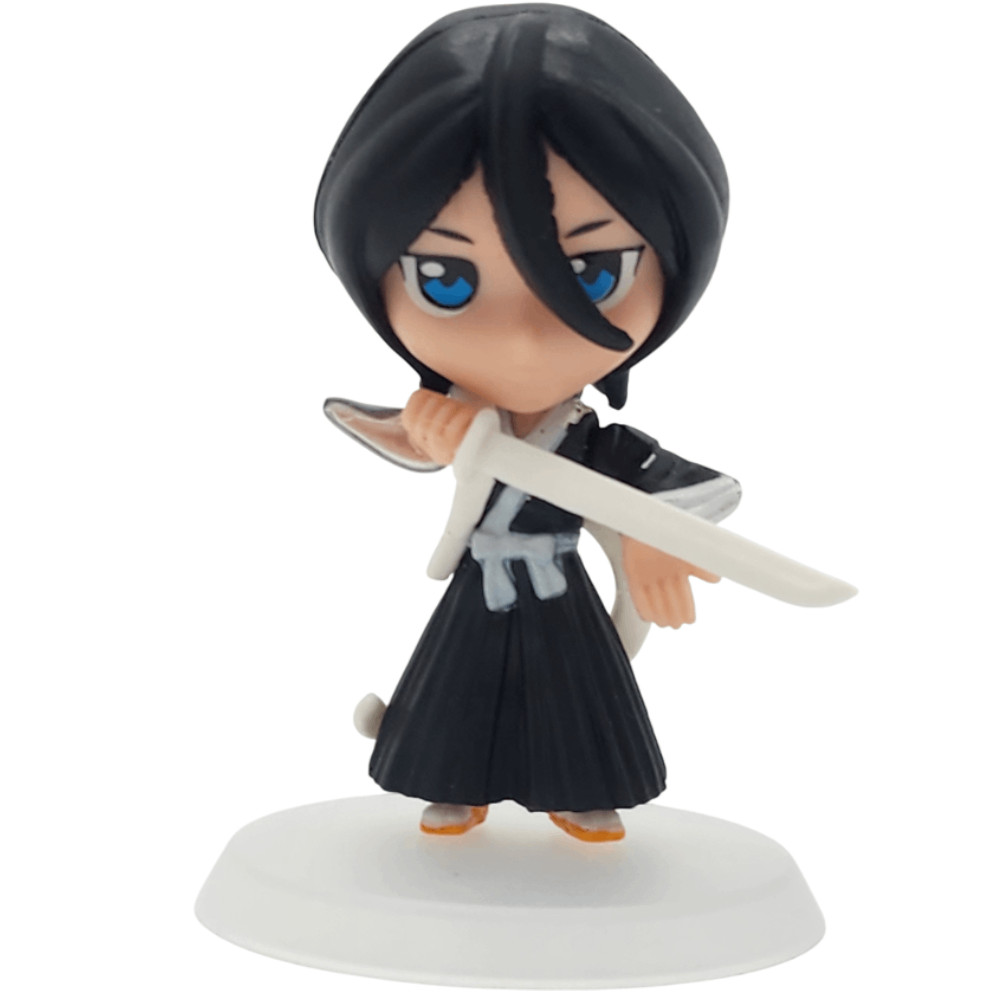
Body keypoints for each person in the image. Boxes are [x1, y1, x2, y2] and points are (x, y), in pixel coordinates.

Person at [315, 5, 740, 842]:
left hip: (556, 587)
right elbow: (393, 435)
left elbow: (692, 487)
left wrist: (654, 539)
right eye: (444, 278)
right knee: (459, 685)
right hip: (482, 582)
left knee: (572, 691)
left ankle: (580, 787)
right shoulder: (457, 422)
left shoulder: (591, 443)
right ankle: (450, 775)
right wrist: (437, 431)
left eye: (593, 272)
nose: (521, 337)